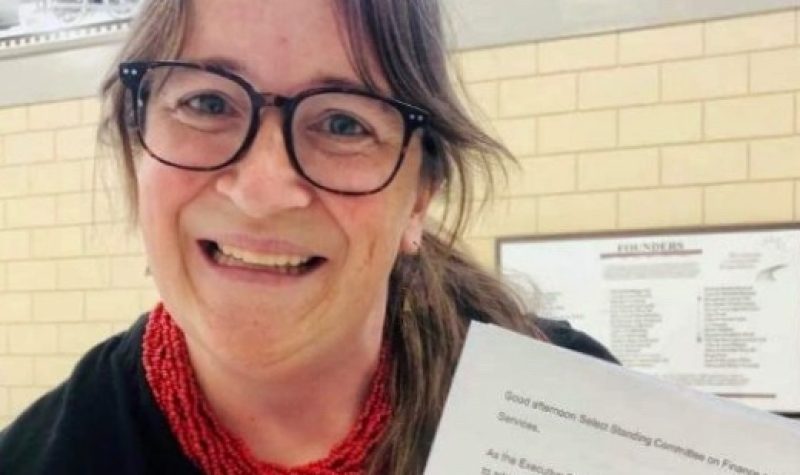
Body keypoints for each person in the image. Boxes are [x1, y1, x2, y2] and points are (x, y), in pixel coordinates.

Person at [0, 1, 616, 473]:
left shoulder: (586, 420)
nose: (263, 191)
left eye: (344, 122)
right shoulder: (44, 456)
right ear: (139, 150)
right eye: (208, 104)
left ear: (418, 199)